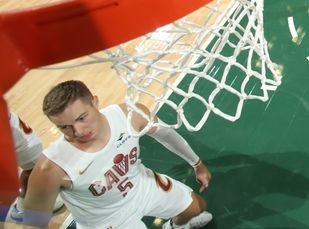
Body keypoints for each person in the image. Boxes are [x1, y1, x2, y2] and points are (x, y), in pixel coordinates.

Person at [21, 80, 213, 229]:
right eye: (64, 127)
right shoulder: (51, 167)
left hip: (141, 187)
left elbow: (165, 134)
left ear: (95, 102)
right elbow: (33, 222)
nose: (78, 131)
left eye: (82, 118)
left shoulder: (129, 114)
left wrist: (197, 163)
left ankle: (174, 226)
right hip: (105, 221)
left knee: (197, 206)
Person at [5, 112, 65, 223]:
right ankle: (26, 207)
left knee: (34, 165)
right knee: (34, 166)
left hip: (10, 124)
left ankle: (24, 205)